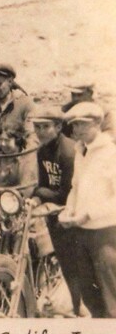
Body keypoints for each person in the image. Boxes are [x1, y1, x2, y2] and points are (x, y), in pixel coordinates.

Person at [58, 102, 116, 318]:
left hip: (105, 235)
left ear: (97, 123)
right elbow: (75, 187)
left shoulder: (110, 153)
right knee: (90, 294)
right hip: (81, 233)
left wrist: (88, 214)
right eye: (74, 125)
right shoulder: (81, 151)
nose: (77, 130)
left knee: (111, 295)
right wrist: (69, 210)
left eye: (82, 124)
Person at [29, 105, 79, 316]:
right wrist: (34, 198)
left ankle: (75, 305)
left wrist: (40, 193)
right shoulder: (42, 150)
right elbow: (43, 185)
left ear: (58, 127)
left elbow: (66, 192)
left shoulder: (68, 152)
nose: (40, 132)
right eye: (37, 127)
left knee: (71, 259)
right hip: (55, 208)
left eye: (45, 127)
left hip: (73, 210)